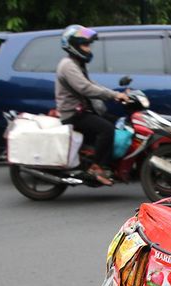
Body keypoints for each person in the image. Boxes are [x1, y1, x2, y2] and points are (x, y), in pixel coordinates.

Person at [55, 24, 132, 186]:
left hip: (82, 110)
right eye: (85, 45)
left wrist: (115, 95)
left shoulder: (76, 64)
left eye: (88, 45)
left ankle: (110, 163)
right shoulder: (68, 65)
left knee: (116, 121)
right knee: (107, 129)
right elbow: (85, 88)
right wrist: (113, 95)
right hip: (73, 114)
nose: (88, 49)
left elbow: (91, 84)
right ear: (74, 46)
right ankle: (96, 167)